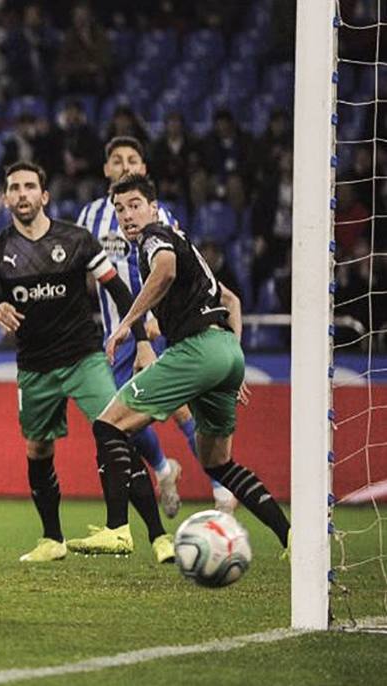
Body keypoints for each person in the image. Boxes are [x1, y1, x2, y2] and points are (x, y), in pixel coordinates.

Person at [0, 162, 171, 563]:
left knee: (119, 432)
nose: (22, 194)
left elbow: (119, 289)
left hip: (83, 358)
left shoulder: (75, 240)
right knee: (38, 449)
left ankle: (159, 537)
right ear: (6, 198)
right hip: (35, 367)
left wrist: (142, 340)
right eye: (14, 188)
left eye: (29, 187)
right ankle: (51, 539)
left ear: (44, 196)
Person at [87, 174, 291, 555]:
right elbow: (231, 301)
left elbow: (164, 270)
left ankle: (117, 530)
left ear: (153, 207)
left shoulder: (155, 237)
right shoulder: (186, 243)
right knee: (217, 462)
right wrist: (233, 356)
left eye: (134, 205)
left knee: (107, 425)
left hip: (196, 350)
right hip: (225, 352)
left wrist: (126, 324)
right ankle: (290, 536)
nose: (128, 215)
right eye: (119, 209)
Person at [76, 136, 237, 517]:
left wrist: (147, 326)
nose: (125, 166)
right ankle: (165, 469)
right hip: (114, 331)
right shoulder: (90, 217)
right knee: (122, 418)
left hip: (153, 328)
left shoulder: (158, 215)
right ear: (105, 169)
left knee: (180, 410)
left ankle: (221, 489)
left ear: (144, 169)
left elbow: (171, 268)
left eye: (132, 159)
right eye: (117, 160)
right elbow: (84, 273)